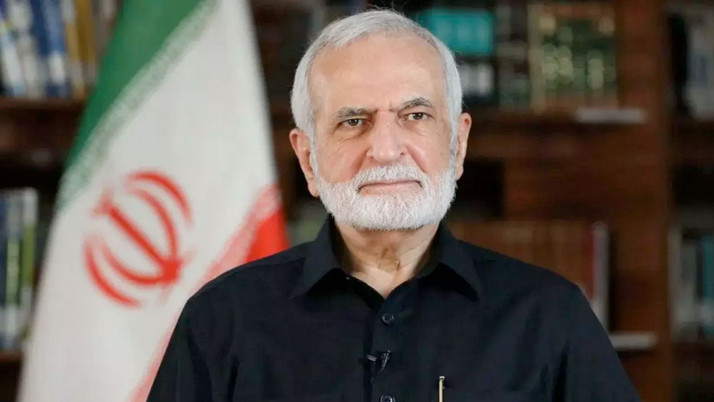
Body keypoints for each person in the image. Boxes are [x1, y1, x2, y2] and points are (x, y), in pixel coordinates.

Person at [148, 9, 640, 401]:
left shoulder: (550, 316)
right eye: (353, 121)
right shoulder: (220, 320)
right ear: (308, 158)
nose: (385, 149)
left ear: (458, 144)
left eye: (416, 115)